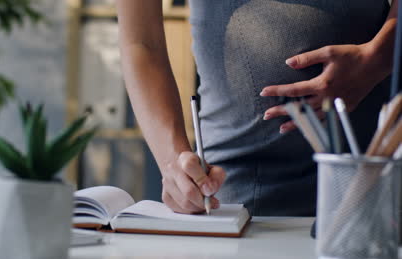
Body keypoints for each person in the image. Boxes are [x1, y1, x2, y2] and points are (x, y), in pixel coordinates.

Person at [115, 0, 398, 216]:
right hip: (232, 184)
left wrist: (377, 59)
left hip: (371, 165)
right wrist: (173, 163)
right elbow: (141, 43)